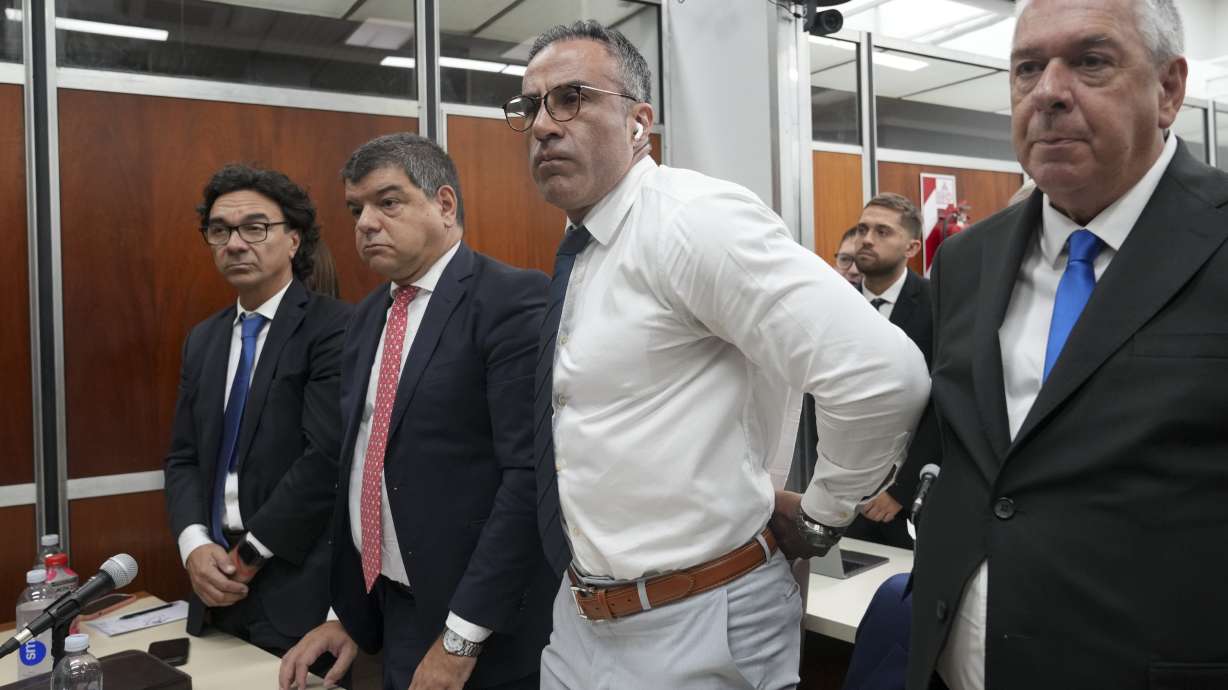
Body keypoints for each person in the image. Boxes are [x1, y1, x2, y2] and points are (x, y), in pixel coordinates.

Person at [509, 21, 929, 688]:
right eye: (529, 106)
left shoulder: (691, 221)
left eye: (571, 98)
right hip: (583, 616)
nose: (542, 125)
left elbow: (883, 378)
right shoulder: (585, 248)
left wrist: (821, 516)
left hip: (700, 620)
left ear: (639, 120)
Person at [908, 1, 1228, 688]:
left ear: (1169, 90)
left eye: (1090, 61)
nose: (1049, 91)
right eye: (1028, 68)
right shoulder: (966, 260)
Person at [279, 133, 555, 690]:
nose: (365, 223)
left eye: (388, 202)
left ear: (444, 205)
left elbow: (526, 482)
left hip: (485, 625)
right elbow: (363, 467)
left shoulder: (509, 301)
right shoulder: (364, 321)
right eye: (357, 209)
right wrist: (346, 617)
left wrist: (460, 641)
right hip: (395, 611)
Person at [163, 164, 350, 670]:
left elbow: (326, 459)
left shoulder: (334, 328)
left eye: (255, 227)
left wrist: (248, 556)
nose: (235, 243)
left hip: (297, 591)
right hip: (214, 592)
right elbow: (183, 457)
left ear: (293, 240)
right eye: (220, 230)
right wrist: (194, 547)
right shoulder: (203, 339)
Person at [844, 193, 936, 549]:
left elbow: (944, 403)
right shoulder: (837, 301)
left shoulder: (937, 303)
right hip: (841, 492)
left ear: (911, 247)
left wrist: (903, 486)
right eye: (862, 229)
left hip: (909, 497)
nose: (866, 239)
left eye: (883, 232)